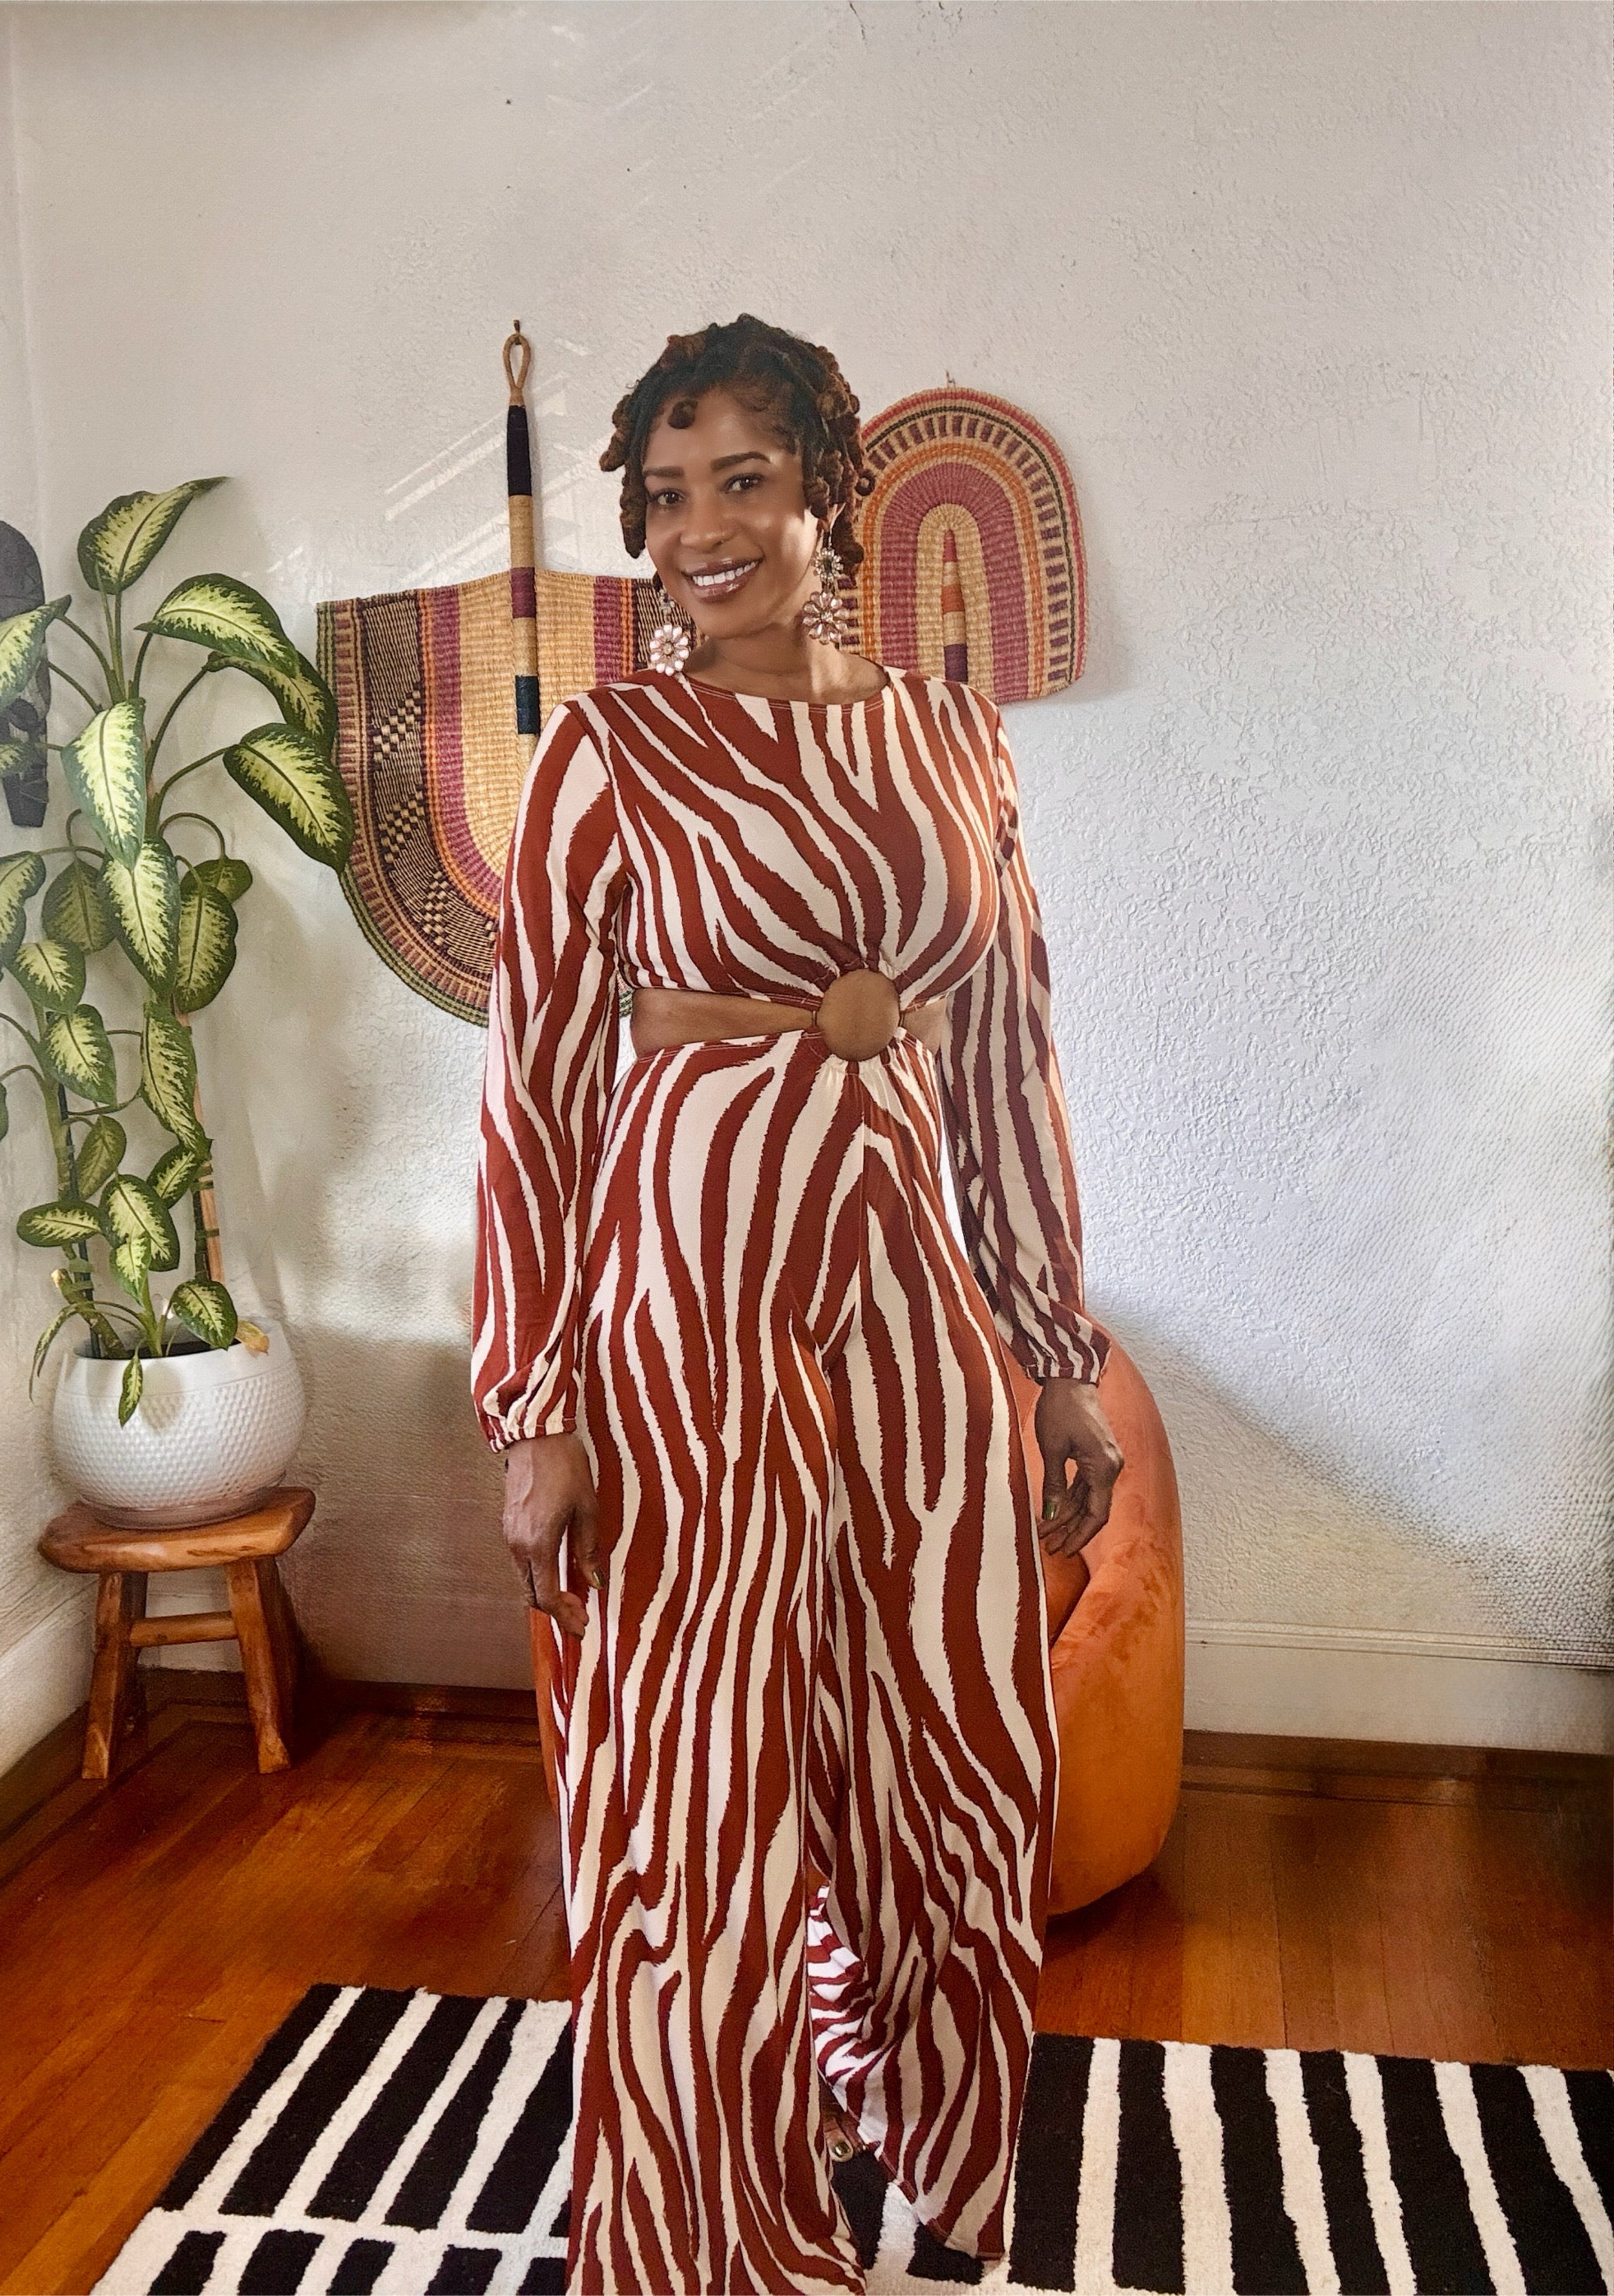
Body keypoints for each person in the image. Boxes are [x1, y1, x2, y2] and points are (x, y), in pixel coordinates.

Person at [473, 313, 1123, 2296]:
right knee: (697, 1772)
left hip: (912, 1302)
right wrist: (536, 1401)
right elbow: (539, 1089)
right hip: (683, 1299)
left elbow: (1006, 1047)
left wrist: (1053, 1348)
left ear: (829, 493)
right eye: (664, 499)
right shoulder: (603, 750)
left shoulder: (953, 732)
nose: (696, 533)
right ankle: (700, 2236)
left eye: (739, 481)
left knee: (955, 1730)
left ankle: (897, 2109)